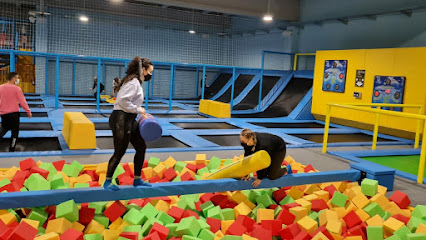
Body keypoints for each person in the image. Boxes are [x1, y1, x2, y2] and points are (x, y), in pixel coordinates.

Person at [103, 56, 153, 191]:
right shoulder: (133, 83)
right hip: (121, 119)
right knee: (119, 151)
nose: (150, 75)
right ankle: (107, 182)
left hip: (129, 118)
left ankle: (137, 179)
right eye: (149, 72)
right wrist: (139, 109)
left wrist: (138, 112)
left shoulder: (135, 82)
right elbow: (122, 102)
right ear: (143, 70)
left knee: (141, 147)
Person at [0, 72, 32, 152]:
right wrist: (28, 111)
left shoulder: (1, 87)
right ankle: (12, 148)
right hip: (14, 114)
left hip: (4, 114)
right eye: (17, 78)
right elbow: (22, 101)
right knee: (15, 132)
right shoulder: (17, 89)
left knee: (4, 129)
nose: (18, 80)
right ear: (13, 78)